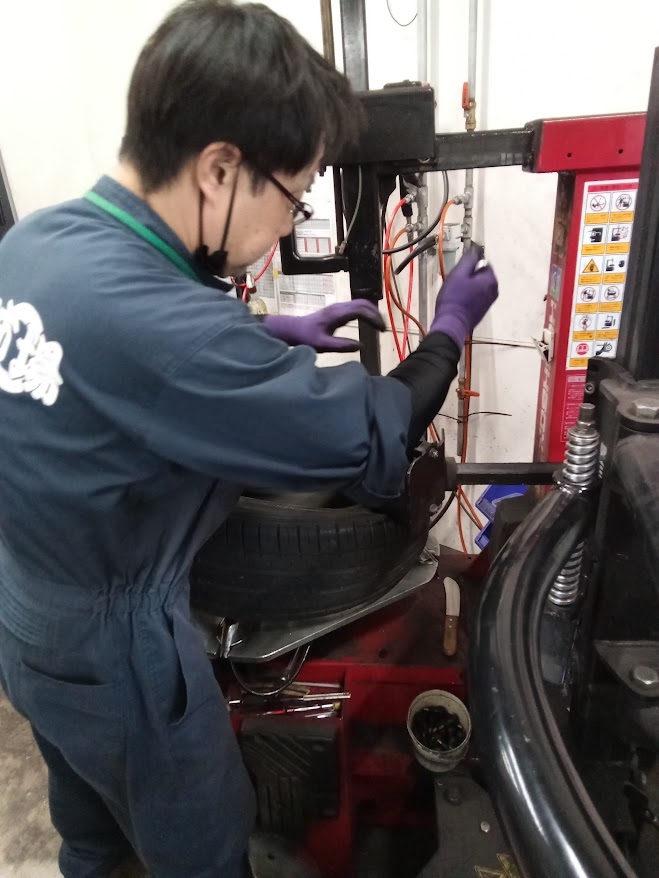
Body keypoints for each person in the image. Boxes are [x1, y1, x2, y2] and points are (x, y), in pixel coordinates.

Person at [0, 1, 498, 876]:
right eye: (293, 196)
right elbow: (374, 430)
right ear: (220, 169)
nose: (288, 223)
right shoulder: (172, 333)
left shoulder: (38, 241)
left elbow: (104, 360)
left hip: (27, 612)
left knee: (92, 828)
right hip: (121, 648)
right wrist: (448, 329)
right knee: (200, 845)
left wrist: (260, 334)